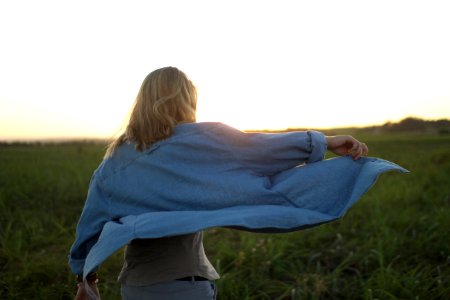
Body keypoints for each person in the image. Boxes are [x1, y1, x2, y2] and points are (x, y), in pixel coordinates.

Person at [69, 67, 406, 300]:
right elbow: (260, 148)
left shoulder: (112, 164)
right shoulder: (203, 140)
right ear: (186, 101)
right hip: (185, 287)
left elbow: (89, 227)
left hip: (135, 288)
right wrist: (324, 142)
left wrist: (85, 279)